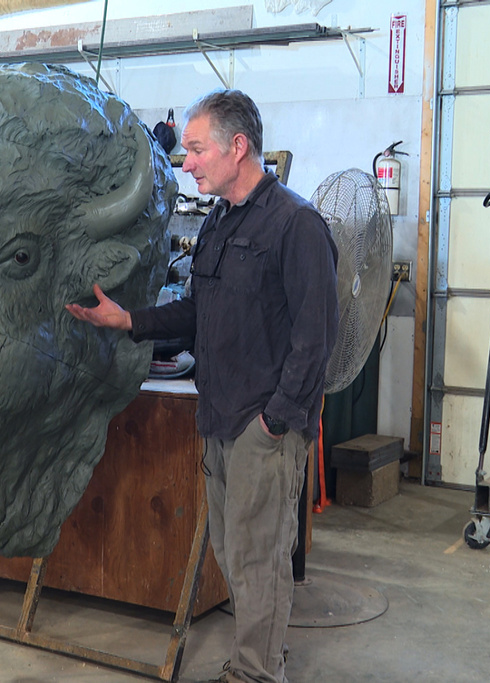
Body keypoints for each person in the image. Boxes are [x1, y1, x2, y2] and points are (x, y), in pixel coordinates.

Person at [65, 90, 339, 683]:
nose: (186, 162)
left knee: (259, 559)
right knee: (232, 554)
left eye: (195, 149)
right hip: (218, 418)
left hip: (262, 428)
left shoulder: (296, 225)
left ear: (237, 147)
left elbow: (316, 340)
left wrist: (274, 423)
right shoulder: (220, 221)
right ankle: (261, 660)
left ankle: (254, 674)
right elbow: (196, 310)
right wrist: (129, 320)